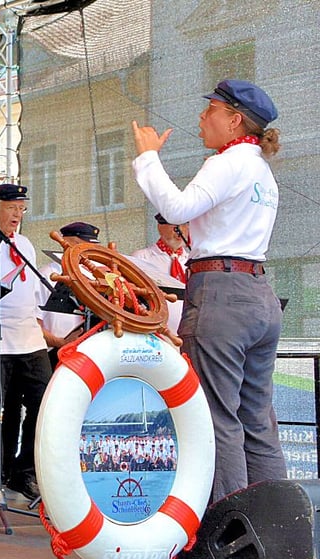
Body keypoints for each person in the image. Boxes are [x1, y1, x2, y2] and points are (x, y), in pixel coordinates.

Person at [131, 78, 285, 502]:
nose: (202, 117)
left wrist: (147, 158)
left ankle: (227, 535)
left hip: (221, 294)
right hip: (257, 292)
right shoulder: (261, 171)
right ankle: (274, 531)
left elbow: (177, 208)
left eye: (211, 109)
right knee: (257, 420)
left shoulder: (228, 161)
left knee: (217, 418)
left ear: (234, 121)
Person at [0, 184, 52, 501]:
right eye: (11, 208)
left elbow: (32, 294)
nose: (17, 215)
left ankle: (25, 470)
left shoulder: (26, 245)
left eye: (21, 208)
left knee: (45, 404)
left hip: (29, 339)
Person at [35, 221, 100, 368]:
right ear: (67, 243)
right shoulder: (47, 274)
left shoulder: (94, 275)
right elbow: (33, 324)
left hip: (90, 352)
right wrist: (61, 342)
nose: (89, 251)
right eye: (82, 245)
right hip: (54, 353)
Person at [130, 213, 190, 337]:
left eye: (185, 225)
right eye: (176, 226)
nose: (181, 231)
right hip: (157, 333)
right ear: (160, 227)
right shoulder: (142, 257)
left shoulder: (191, 260)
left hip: (189, 330)